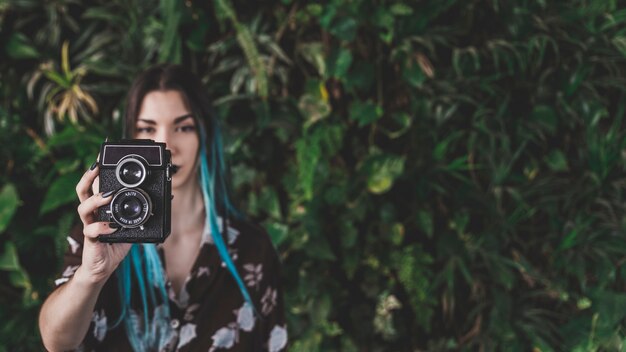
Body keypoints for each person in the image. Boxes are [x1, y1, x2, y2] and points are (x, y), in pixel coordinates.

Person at [38, 64, 288, 351]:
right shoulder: (100, 233)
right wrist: (91, 276)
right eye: (147, 128)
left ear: (204, 135)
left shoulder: (252, 249)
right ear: (129, 139)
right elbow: (56, 341)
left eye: (183, 127)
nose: (165, 144)